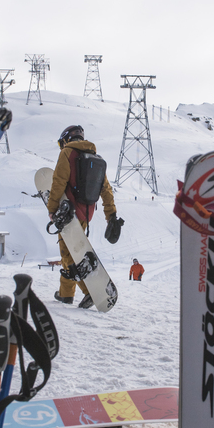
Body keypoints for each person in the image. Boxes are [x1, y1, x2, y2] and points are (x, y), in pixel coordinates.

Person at [48, 125, 121, 308]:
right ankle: (66, 294)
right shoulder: (95, 158)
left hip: (68, 211)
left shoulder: (67, 153)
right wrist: (110, 215)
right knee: (70, 250)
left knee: (70, 252)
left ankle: (89, 292)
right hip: (86, 213)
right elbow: (106, 189)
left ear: (66, 139)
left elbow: (58, 181)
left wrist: (52, 208)